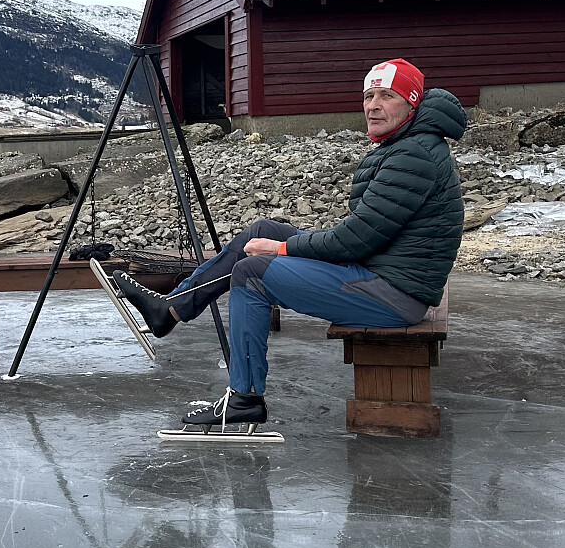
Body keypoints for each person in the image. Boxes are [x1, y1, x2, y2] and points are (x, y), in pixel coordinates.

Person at [114, 58, 466, 429]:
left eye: (387, 96)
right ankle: (170, 309)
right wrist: (283, 243)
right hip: (378, 271)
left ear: (412, 103)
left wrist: (281, 250)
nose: (373, 105)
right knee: (262, 230)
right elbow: (365, 235)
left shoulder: (413, 155)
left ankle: (244, 397)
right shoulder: (406, 143)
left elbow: (356, 239)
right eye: (368, 96)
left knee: (252, 274)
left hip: (393, 295)